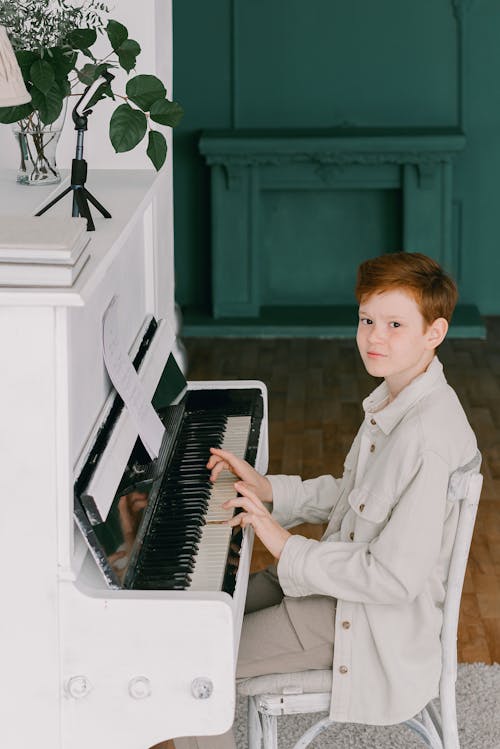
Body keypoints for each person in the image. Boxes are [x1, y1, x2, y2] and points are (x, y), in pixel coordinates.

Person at [173, 252, 477, 749]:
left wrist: (282, 542)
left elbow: (394, 577)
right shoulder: (398, 398)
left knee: (195, 665)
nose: (374, 337)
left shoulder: (427, 437)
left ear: (434, 333)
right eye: (367, 320)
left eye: (394, 324)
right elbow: (352, 494)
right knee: (200, 613)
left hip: (367, 625)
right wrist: (271, 491)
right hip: (334, 590)